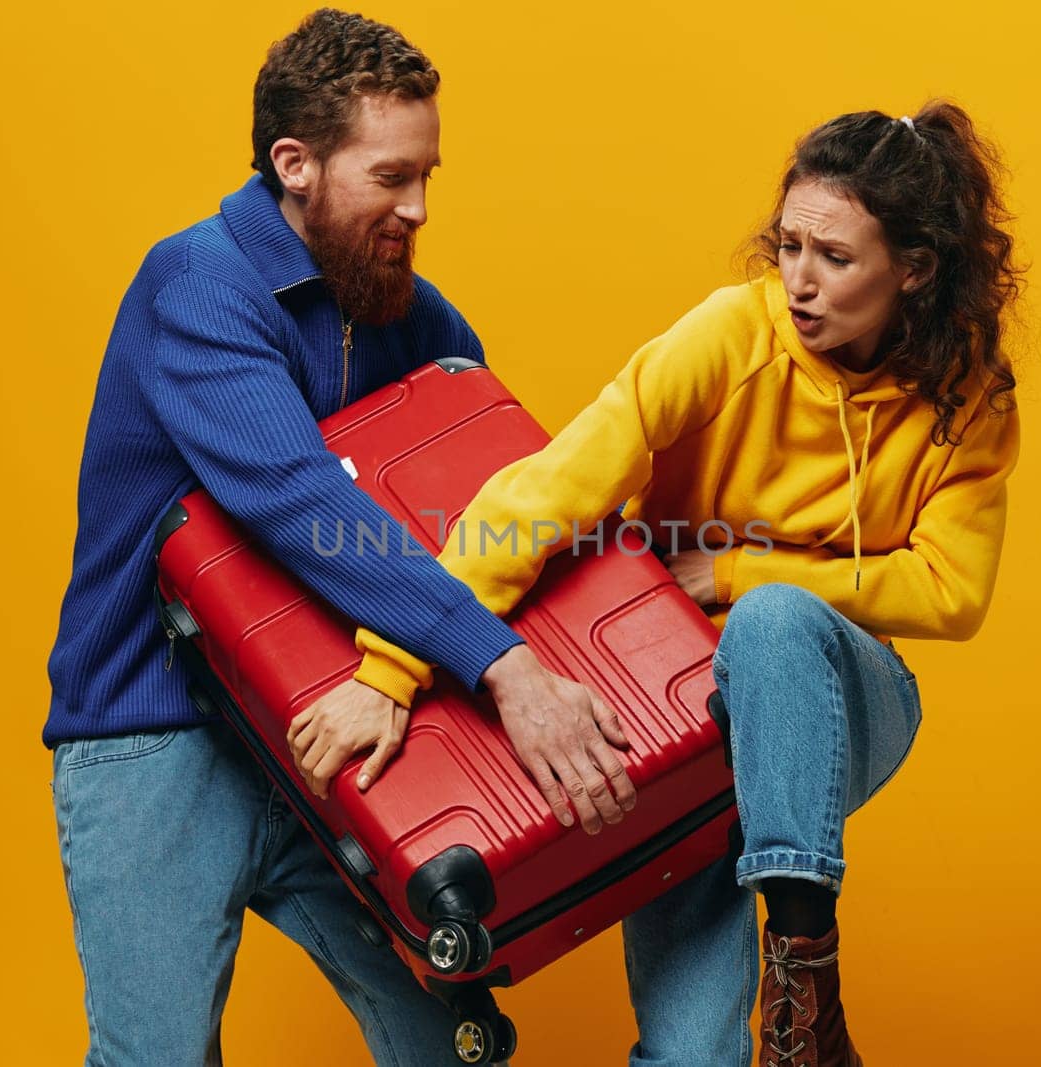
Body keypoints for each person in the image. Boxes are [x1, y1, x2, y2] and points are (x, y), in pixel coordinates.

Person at [313, 102, 1022, 1066]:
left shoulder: (968, 395)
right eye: (788, 246)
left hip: (841, 697)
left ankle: (804, 982)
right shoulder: (735, 336)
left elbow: (951, 590)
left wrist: (737, 572)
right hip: (688, 721)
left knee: (770, 622)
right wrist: (393, 665)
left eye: (836, 258)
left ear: (916, 268)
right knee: (692, 1054)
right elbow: (547, 490)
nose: (799, 282)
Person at [43, 10, 632, 1064]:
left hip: (339, 728)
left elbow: (503, 491)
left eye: (428, 178)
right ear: (295, 164)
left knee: (451, 1041)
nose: (415, 208)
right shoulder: (200, 285)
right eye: (390, 178)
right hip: (158, 735)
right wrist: (506, 666)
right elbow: (302, 502)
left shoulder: (411, 313)